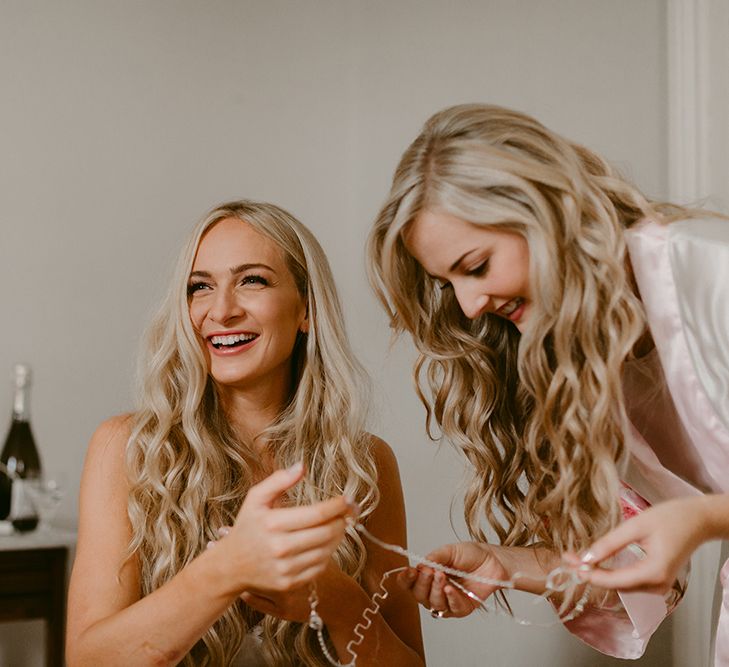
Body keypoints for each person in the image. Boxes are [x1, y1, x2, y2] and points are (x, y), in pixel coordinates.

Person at [367, 103, 729, 662]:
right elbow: (634, 565)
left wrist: (706, 517)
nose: (468, 306)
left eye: (477, 266)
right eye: (449, 282)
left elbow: (694, 520)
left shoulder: (713, 276)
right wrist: (506, 565)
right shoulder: (581, 359)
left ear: (546, 211)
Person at [67, 200, 425, 666]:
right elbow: (87, 661)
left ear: (306, 311)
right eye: (200, 287)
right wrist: (225, 571)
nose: (221, 310)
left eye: (252, 280)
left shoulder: (366, 463)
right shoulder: (127, 448)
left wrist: (337, 599)